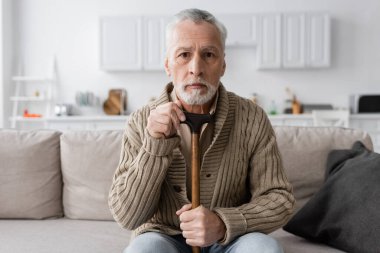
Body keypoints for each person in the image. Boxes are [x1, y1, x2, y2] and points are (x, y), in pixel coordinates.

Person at [109, 8, 295, 253]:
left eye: (208, 54)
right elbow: (127, 216)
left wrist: (222, 223)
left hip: (232, 239)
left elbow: (280, 198)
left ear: (223, 65)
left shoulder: (252, 117)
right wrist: (154, 143)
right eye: (184, 55)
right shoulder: (140, 121)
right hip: (163, 237)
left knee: (265, 249)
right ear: (168, 65)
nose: (196, 68)